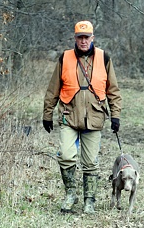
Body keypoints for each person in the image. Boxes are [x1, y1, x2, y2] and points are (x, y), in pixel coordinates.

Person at [43, 20, 122, 214]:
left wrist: (115, 116)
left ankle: (89, 200)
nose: (83, 41)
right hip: (69, 117)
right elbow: (53, 89)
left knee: (90, 162)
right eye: (80, 37)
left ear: (92, 38)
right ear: (75, 38)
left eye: (87, 37)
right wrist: (47, 113)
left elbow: (113, 90)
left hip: (94, 118)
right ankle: (71, 194)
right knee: (66, 156)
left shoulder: (104, 58)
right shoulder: (65, 58)